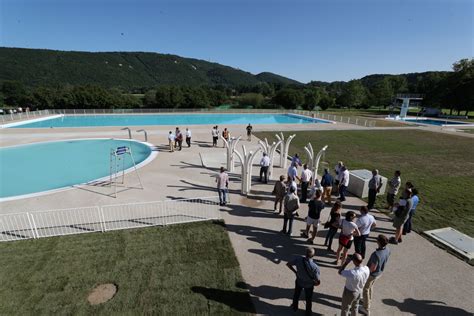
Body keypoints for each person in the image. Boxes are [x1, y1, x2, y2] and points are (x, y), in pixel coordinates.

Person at [360, 234, 391, 316]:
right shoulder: (388, 250)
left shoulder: (376, 254)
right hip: (379, 273)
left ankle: (366, 308)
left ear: (379, 242)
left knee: (365, 289)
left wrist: (365, 273)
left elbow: (373, 268)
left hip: (372, 274)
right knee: (370, 286)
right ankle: (368, 301)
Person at [287, 247, 321, 316]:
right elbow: (317, 280)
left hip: (299, 281)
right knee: (308, 299)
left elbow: (288, 264)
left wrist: (295, 272)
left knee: (296, 294)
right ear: (313, 255)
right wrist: (316, 283)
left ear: (305, 254)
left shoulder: (298, 259)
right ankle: (308, 313)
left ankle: (294, 307)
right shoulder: (315, 267)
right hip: (309, 285)